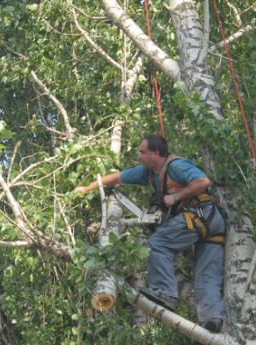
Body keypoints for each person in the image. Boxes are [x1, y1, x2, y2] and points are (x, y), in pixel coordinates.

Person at [74, 134, 226, 333]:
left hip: (202, 214)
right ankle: (212, 324)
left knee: (158, 243)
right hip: (211, 224)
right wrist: (87, 188)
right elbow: (117, 178)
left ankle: (165, 292)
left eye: (142, 152)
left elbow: (203, 181)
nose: (139, 156)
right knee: (206, 278)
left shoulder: (176, 166)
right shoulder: (147, 173)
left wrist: (174, 197)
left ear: (156, 153)